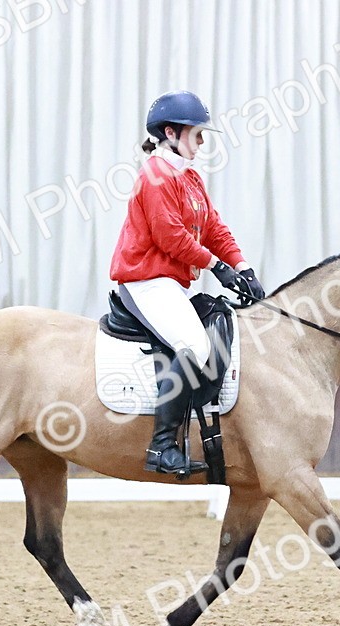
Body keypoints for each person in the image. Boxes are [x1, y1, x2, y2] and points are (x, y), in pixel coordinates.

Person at [110, 90, 266, 475]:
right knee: (194, 345)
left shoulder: (188, 177)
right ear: (170, 132)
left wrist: (242, 266)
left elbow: (212, 227)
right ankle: (161, 446)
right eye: (197, 134)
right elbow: (171, 237)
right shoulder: (156, 176)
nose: (201, 142)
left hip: (171, 283)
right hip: (146, 280)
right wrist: (217, 268)